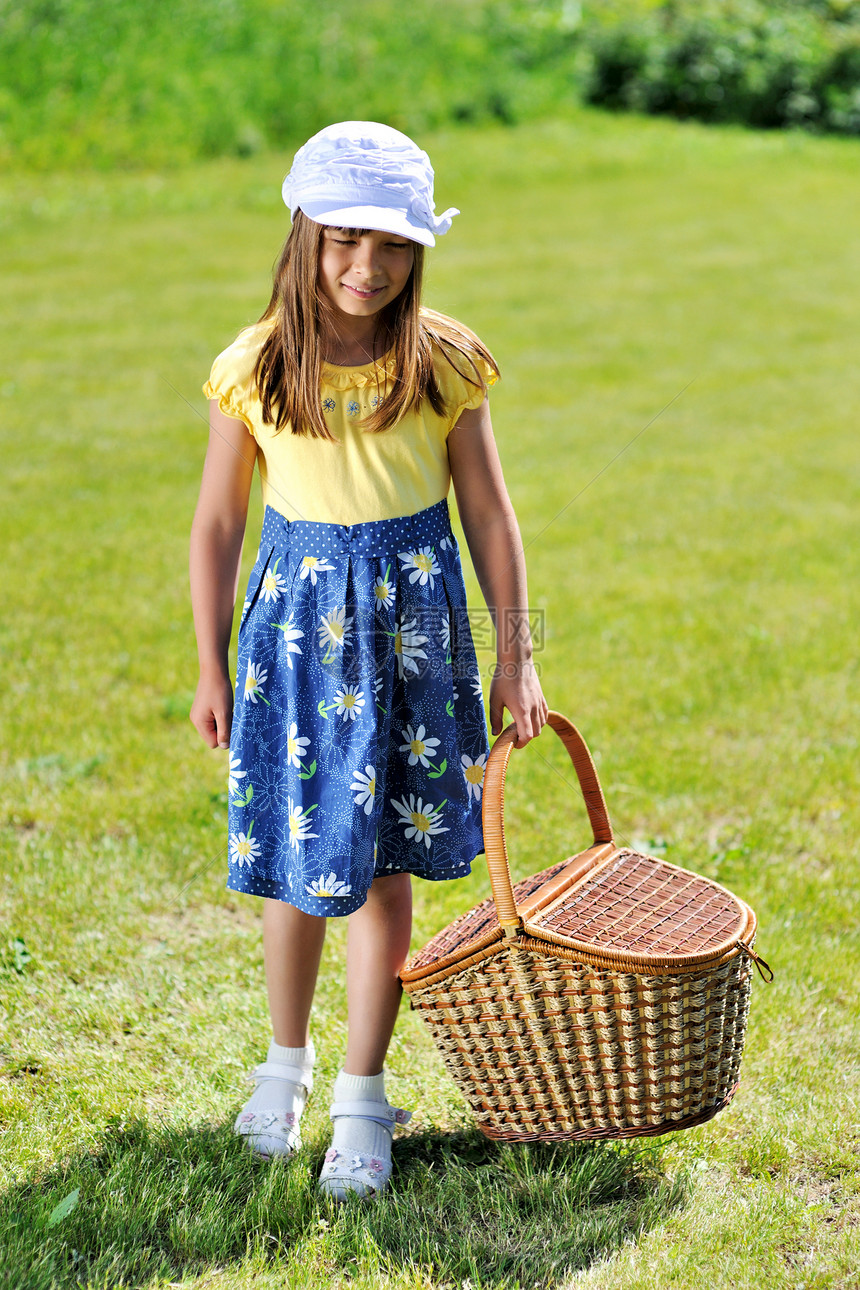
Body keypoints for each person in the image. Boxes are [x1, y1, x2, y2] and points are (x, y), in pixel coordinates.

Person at [189, 120, 547, 1200]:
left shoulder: (439, 358)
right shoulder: (256, 364)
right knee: (300, 861)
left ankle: (360, 1096)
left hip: (413, 638)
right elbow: (215, 525)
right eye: (343, 240)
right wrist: (209, 666)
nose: (365, 267)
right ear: (304, 234)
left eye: (390, 244)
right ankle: (283, 1066)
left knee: (385, 865)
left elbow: (486, 511)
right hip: (296, 641)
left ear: (416, 251)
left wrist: (514, 656)